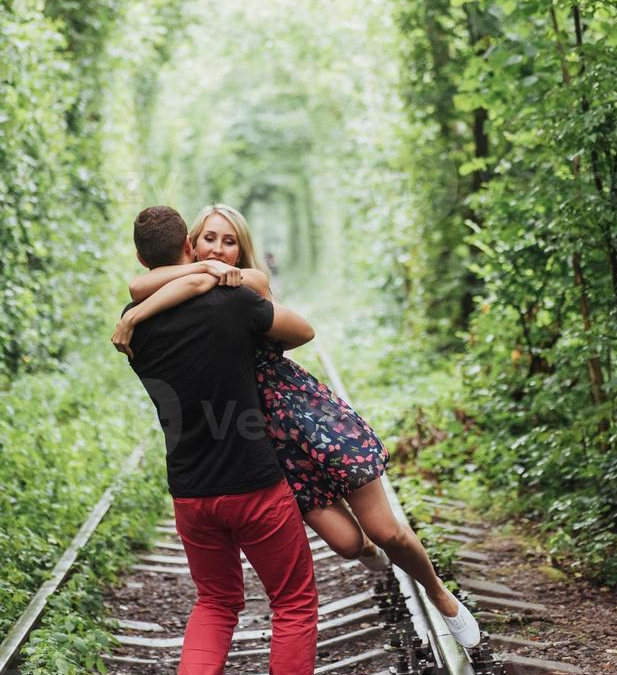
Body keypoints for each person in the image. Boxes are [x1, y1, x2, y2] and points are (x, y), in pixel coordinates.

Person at [112, 204, 480, 649]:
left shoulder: (251, 283)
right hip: (262, 436)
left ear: (242, 248)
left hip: (303, 413)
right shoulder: (187, 285)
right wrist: (176, 285)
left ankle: (439, 594)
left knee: (386, 530)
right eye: (210, 239)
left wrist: (136, 314)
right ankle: (374, 558)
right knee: (348, 544)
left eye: (230, 241)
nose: (220, 249)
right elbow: (142, 283)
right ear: (190, 244)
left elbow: (168, 287)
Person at [113, 205, 319, 675]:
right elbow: (303, 331)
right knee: (292, 601)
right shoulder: (233, 300)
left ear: (143, 261)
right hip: (255, 485)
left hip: (190, 491)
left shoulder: (132, 324)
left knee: (216, 602)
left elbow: (154, 291)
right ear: (189, 244)